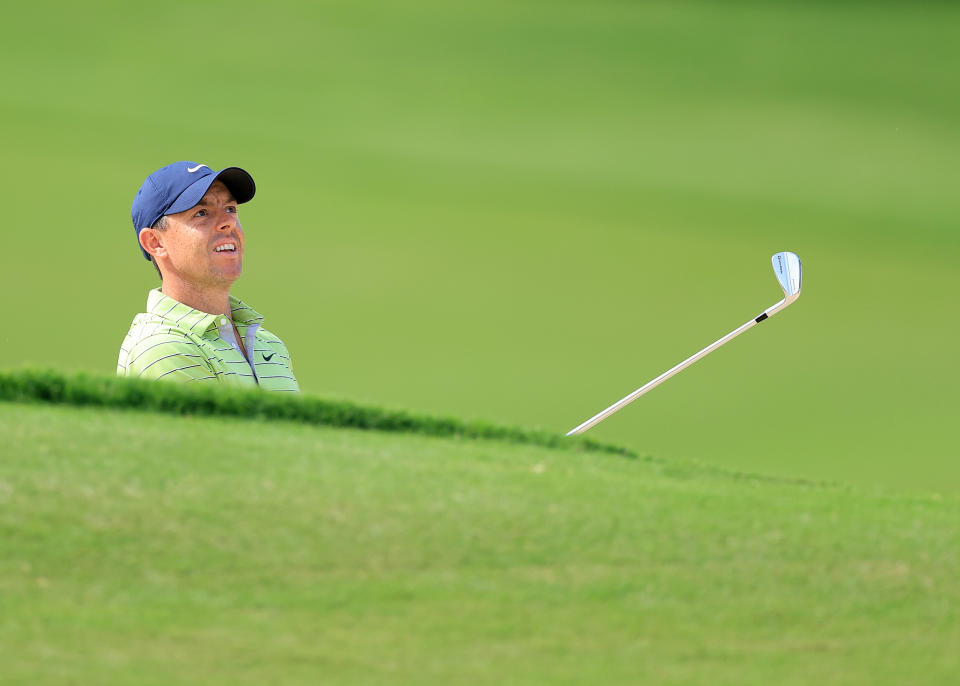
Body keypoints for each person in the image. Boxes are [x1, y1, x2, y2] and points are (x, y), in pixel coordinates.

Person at [117, 161, 299, 392]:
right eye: (201, 213)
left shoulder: (269, 344)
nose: (228, 222)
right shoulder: (163, 347)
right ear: (155, 242)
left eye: (230, 209)